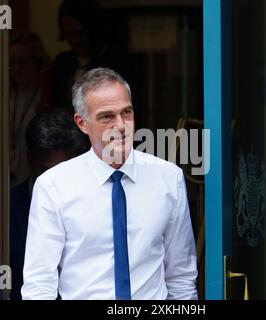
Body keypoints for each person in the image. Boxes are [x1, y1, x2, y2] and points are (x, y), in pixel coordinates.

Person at [22, 68, 198, 300]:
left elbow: (181, 276)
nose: (121, 125)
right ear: (82, 123)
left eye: (126, 113)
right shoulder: (53, 186)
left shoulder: (168, 178)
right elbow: (39, 284)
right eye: (107, 116)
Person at [10, 109, 89, 300]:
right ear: (30, 159)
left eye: (63, 172)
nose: (54, 182)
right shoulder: (7, 208)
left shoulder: (97, 205)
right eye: (46, 171)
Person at [9, 32, 50, 186]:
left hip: (33, 177)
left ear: (37, 62)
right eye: (11, 62)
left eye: (23, 62)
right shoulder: (6, 94)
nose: (16, 68)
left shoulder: (47, 95)